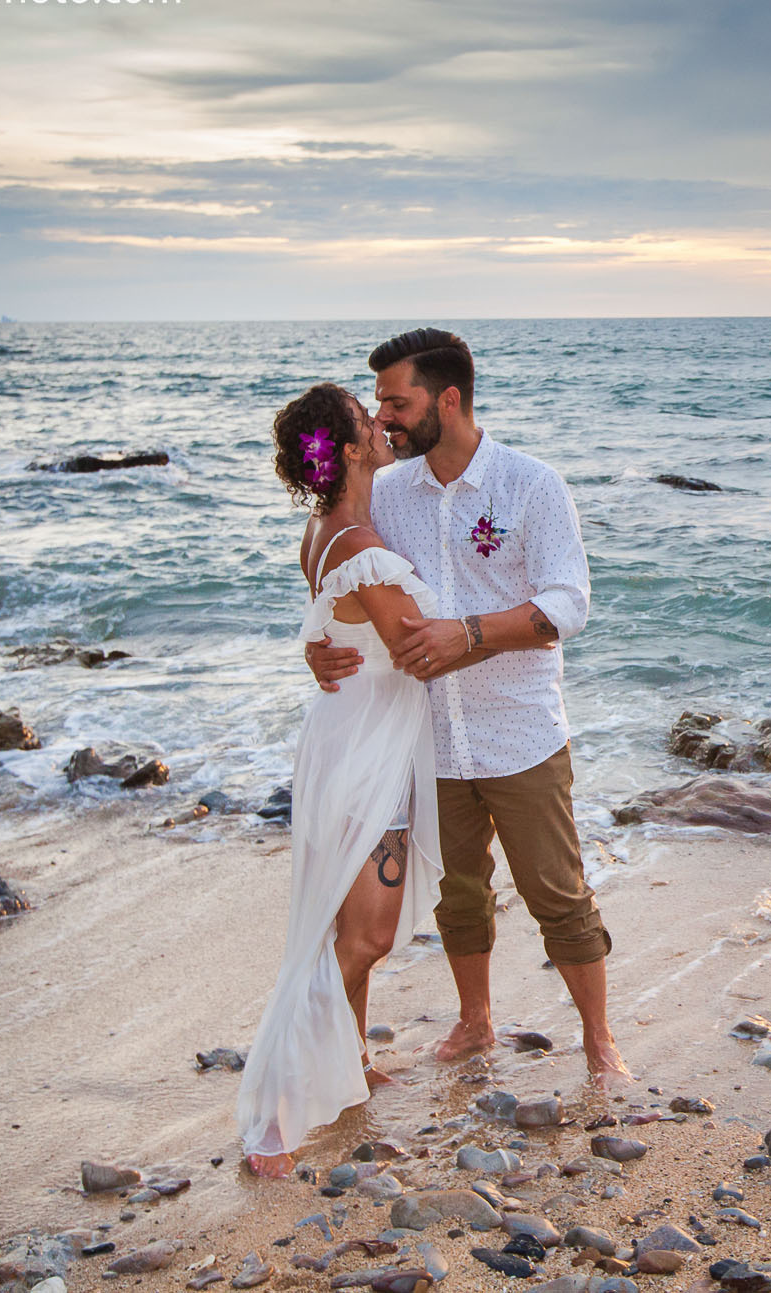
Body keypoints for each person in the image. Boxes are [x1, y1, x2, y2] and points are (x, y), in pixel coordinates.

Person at [305, 328, 630, 1082]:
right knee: (459, 894)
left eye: (397, 400)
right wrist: (316, 643)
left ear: (447, 400)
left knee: (558, 894)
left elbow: (568, 603)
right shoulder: (383, 495)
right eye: (379, 402)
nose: (384, 416)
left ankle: (599, 1041)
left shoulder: (531, 485)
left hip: (520, 732)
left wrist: (470, 634)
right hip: (426, 739)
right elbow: (341, 578)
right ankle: (475, 1020)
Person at [237, 382, 470, 1177]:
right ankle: (277, 1107)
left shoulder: (324, 531)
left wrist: (316, 651)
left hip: (346, 738)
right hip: (369, 748)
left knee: (346, 928)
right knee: (364, 936)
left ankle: (349, 1068)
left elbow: (331, 624)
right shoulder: (358, 543)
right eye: (367, 422)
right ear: (345, 450)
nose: (380, 426)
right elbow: (414, 643)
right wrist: (524, 626)